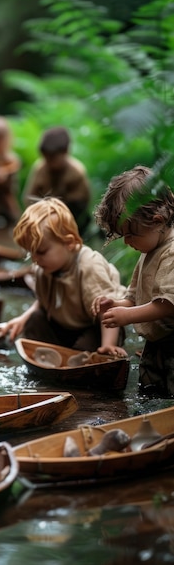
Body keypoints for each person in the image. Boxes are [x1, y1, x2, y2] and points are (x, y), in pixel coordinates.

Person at [4, 197, 126, 356]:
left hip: (102, 326)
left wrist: (108, 345)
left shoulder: (88, 265)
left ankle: (79, 358)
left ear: (68, 243)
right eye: (30, 252)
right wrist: (23, 318)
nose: (34, 259)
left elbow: (107, 310)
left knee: (86, 350)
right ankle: (52, 358)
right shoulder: (44, 268)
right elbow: (43, 302)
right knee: (34, 322)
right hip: (66, 325)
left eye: (40, 252)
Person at [93, 165, 174, 396]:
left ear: (157, 221)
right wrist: (115, 305)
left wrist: (127, 316)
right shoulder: (148, 251)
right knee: (149, 392)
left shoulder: (171, 252)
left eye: (131, 234)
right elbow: (135, 298)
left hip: (171, 343)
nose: (127, 241)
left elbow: (168, 304)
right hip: (156, 344)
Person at [24, 126, 91, 235]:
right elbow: (29, 198)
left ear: (65, 151)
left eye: (52, 158)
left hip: (72, 221)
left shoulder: (76, 171)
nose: (49, 162)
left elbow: (82, 201)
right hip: (44, 219)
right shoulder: (40, 169)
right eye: (46, 158)